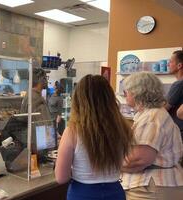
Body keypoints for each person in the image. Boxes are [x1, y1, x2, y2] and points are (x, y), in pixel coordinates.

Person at [55, 75, 133, 200]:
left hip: (82, 193)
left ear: (78, 100)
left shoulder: (72, 132)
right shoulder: (122, 128)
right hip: (115, 192)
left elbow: (61, 177)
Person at [121, 72, 183, 200]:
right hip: (156, 186)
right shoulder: (151, 115)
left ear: (137, 92)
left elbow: (137, 160)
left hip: (149, 189)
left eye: (127, 91)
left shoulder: (151, 118)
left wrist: (108, 163)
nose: (125, 94)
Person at [166, 50, 183, 138]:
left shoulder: (179, 84)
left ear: (179, 65)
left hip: (179, 131)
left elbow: (164, 108)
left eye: (170, 62)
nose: (168, 65)